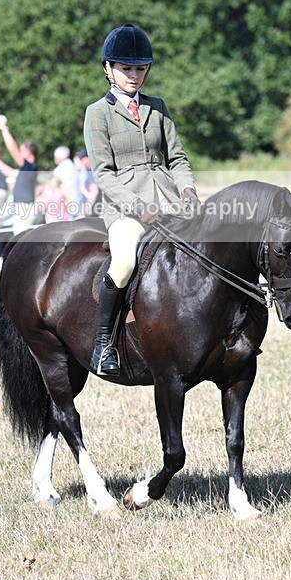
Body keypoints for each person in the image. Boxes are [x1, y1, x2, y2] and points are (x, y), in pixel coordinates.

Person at [83, 22, 199, 375]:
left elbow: (177, 159)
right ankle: (104, 344)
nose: (134, 75)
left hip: (166, 198)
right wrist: (135, 206)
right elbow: (102, 173)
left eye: (139, 68)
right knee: (124, 263)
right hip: (123, 208)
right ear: (108, 69)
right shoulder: (97, 113)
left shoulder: (158, 107)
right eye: (126, 68)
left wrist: (188, 190)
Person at [0, 115, 39, 235]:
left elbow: (13, 151)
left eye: (22, 150)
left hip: (25, 208)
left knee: (21, 241)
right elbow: (10, 172)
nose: (20, 153)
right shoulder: (26, 169)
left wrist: (4, 129)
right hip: (21, 208)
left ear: (29, 153)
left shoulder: (31, 167)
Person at [52, 146, 80, 219]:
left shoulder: (59, 169)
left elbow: (53, 185)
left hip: (66, 203)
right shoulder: (73, 166)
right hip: (77, 201)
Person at [74, 148, 100, 216]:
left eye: (81, 159)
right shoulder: (90, 171)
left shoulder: (91, 172)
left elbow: (94, 193)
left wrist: (84, 211)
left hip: (96, 210)